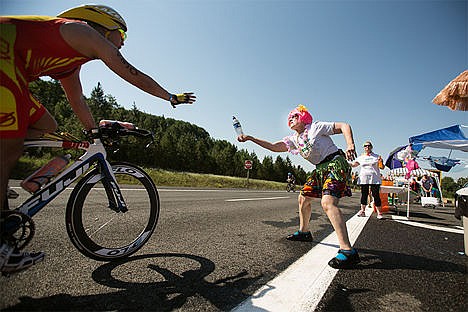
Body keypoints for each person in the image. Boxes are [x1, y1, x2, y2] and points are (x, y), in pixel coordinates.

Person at [0, 4, 196, 274]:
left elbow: (76, 99)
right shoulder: (82, 31)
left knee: (47, 124)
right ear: (105, 26)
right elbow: (130, 73)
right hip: (4, 59)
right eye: (122, 37)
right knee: (7, 147)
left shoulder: (70, 62)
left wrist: (92, 132)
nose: (122, 45)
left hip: (13, 69)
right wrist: (169, 96)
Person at [237, 104, 360, 269]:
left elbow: (344, 125)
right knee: (303, 198)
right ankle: (304, 232)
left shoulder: (316, 127)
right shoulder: (294, 140)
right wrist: (250, 138)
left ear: (303, 117)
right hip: (320, 169)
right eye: (289, 118)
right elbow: (274, 147)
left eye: (294, 116)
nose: (290, 119)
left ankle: (347, 251)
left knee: (328, 203)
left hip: (335, 164)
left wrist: (350, 144)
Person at [350, 141, 385, 219]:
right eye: (365, 146)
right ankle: (362, 211)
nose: (367, 147)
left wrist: (381, 162)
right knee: (364, 195)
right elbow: (354, 164)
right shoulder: (361, 157)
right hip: (364, 178)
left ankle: (379, 213)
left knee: (376, 195)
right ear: (364, 148)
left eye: (369, 146)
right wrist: (346, 163)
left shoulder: (376, 156)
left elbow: (382, 167)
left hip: (375, 179)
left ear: (371, 147)